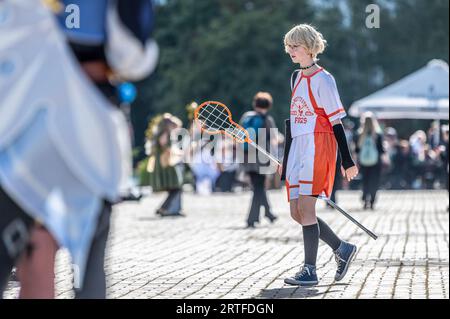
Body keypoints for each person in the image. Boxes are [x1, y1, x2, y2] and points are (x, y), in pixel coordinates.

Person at [0, 0, 157, 298]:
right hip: (85, 124)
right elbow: (133, 58)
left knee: (35, 255)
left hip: (15, 125)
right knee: (86, 262)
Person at [280, 24, 358, 286]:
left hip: (319, 146)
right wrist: (287, 158)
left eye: (296, 45)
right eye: (289, 45)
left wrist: (346, 161)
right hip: (299, 148)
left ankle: (310, 270)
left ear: (310, 48)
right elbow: (292, 123)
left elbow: (337, 123)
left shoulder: (324, 79)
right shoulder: (295, 77)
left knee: (306, 208)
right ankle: (342, 248)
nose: (291, 50)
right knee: (296, 212)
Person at [239, 92, 279, 228]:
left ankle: (268, 213)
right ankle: (252, 218)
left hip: (247, 157)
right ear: (268, 105)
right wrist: (275, 158)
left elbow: (240, 136)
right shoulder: (267, 119)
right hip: (261, 158)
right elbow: (274, 141)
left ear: (254, 104)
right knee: (258, 187)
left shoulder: (246, 117)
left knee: (258, 187)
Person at [146, 114, 185, 217]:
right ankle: (164, 208)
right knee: (176, 187)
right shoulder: (164, 133)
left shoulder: (161, 132)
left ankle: (164, 208)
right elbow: (165, 146)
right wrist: (179, 153)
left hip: (166, 163)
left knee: (174, 189)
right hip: (167, 164)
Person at [355, 112, 384, 209]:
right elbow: (381, 150)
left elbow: (357, 150)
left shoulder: (359, 134)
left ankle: (364, 199)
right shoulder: (378, 135)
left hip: (363, 162)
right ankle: (372, 200)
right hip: (376, 162)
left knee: (365, 180)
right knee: (374, 181)